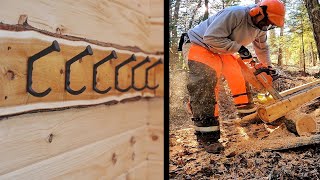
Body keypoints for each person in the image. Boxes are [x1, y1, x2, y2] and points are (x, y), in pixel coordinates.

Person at [178, 0, 285, 153]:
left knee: (240, 76)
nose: (266, 26)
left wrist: (267, 67)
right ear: (257, 12)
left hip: (222, 48)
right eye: (266, 22)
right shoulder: (235, 14)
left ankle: (248, 119)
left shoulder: (261, 27)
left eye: (270, 24)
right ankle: (207, 137)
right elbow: (211, 38)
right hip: (199, 44)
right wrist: (239, 49)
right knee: (206, 82)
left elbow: (262, 48)